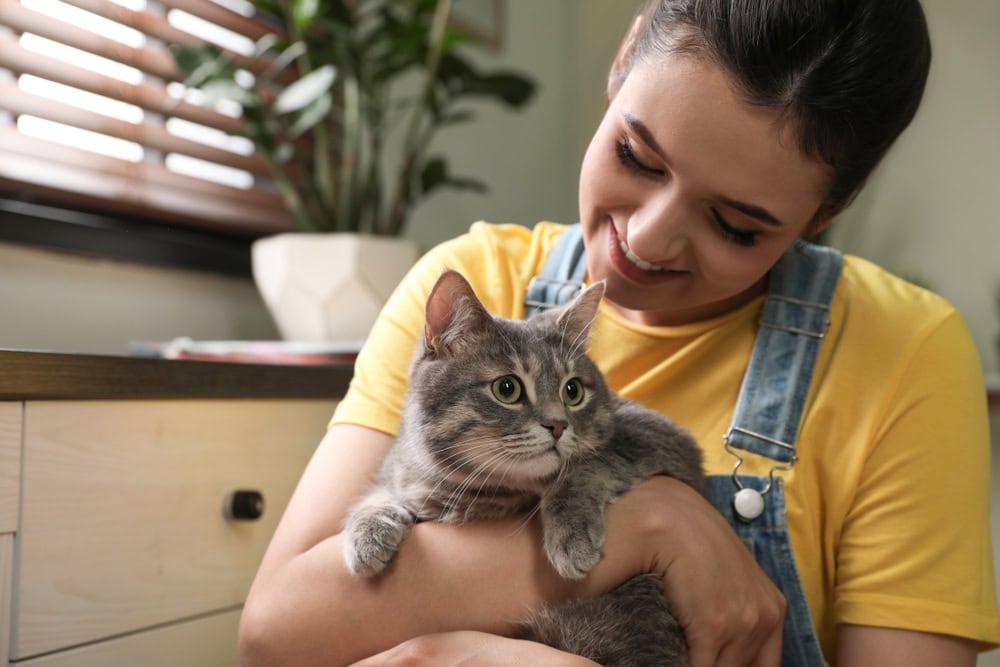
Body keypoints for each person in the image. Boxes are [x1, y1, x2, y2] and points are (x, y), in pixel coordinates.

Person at [238, 0, 1000, 665]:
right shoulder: (474, 277)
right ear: (625, 56)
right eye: (636, 155)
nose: (645, 239)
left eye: (734, 224)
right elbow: (277, 637)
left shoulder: (906, 349)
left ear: (828, 209)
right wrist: (651, 525)